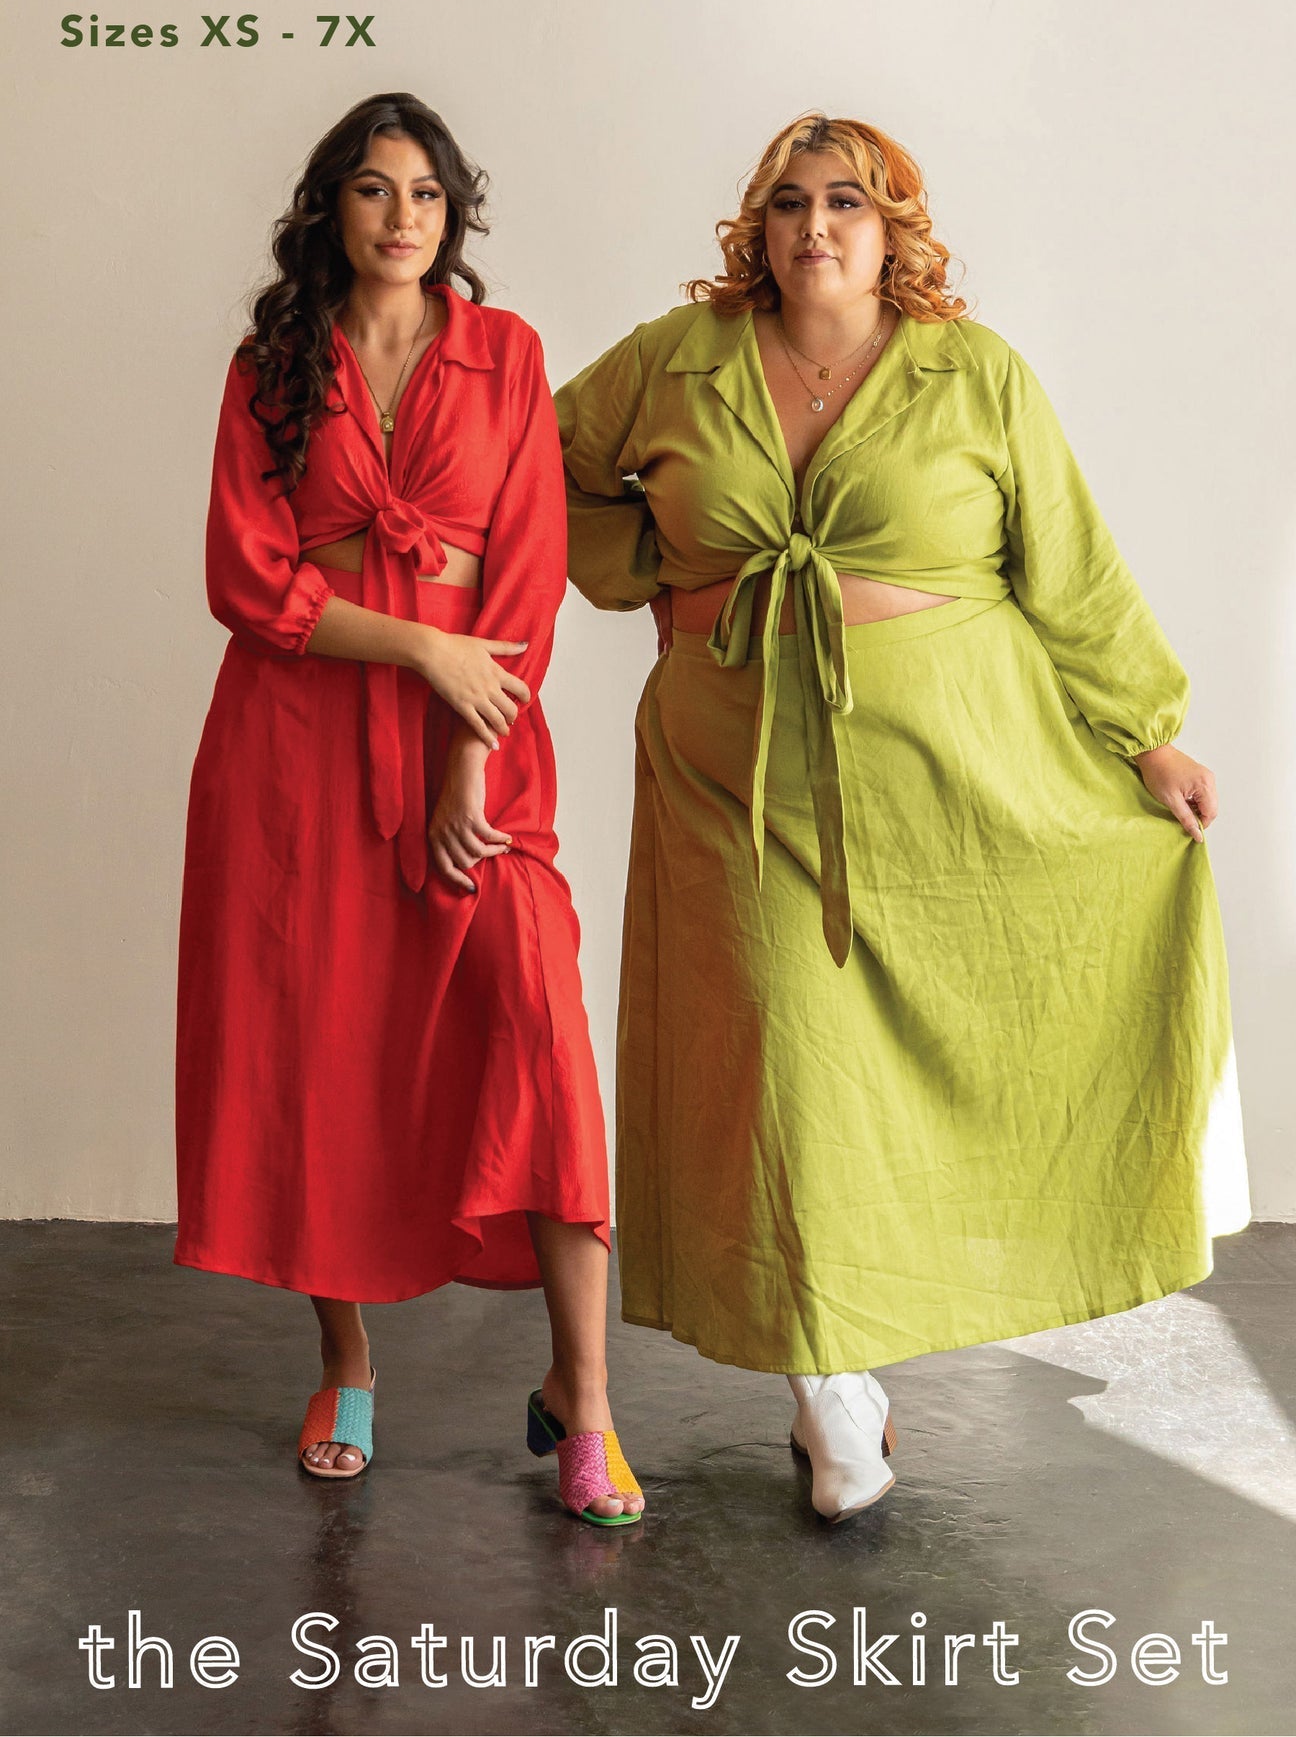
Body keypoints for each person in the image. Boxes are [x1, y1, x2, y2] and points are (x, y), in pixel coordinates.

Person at [556, 112, 1248, 1523]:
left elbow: (1069, 564)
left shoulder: (973, 371)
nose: (815, 227)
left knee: (912, 1072)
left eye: (848, 204)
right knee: (789, 1069)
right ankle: (830, 1385)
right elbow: (532, 466)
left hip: (950, 767)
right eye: (789, 202)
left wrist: (1146, 730)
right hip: (734, 770)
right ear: (756, 226)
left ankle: (864, 1348)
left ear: (893, 232)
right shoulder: (675, 360)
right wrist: (655, 568)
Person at [175, 91, 643, 1526]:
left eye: (427, 193)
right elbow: (246, 576)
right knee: (321, 1047)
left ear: (454, 213)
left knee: (541, 1033)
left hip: (477, 743)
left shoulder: (509, 355)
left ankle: (587, 1400)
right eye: (376, 190)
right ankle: (346, 1365)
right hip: (298, 744)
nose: (403, 217)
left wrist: (465, 753)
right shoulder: (273, 363)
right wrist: (418, 650)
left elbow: (527, 575)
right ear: (333, 206)